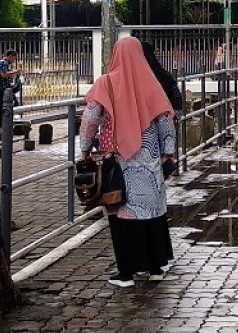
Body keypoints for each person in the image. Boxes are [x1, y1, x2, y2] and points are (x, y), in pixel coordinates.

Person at [79, 37, 176, 287]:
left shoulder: (105, 83)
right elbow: (165, 120)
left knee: (122, 211)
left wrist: (85, 148)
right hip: (150, 159)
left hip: (118, 160)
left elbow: (90, 118)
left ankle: (126, 274)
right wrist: (168, 152)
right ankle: (156, 268)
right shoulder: (151, 83)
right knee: (152, 212)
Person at [141, 39, 184, 180]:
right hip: (167, 119)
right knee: (165, 151)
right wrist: (176, 117)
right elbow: (177, 97)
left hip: (146, 126)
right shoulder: (164, 74)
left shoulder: (138, 77)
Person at [0, 49, 23, 125]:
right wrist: (16, 71)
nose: (14, 60)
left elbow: (6, 76)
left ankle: (6, 123)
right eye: (14, 58)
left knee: (10, 105)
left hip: (6, 89)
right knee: (2, 108)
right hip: (2, 90)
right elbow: (4, 74)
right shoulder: (3, 62)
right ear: (10, 56)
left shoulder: (5, 63)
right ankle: (3, 124)